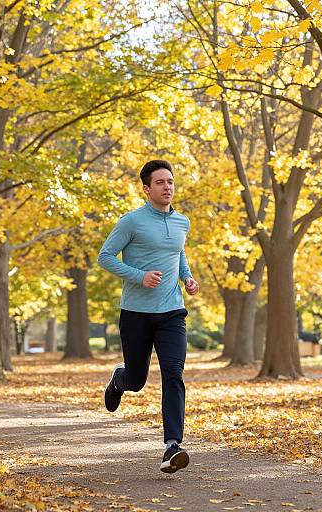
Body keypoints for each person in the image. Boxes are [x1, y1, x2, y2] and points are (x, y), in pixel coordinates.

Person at [97, 159, 199, 474]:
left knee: (173, 374)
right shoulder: (132, 222)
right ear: (146, 188)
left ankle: (172, 446)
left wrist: (187, 277)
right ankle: (120, 380)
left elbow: (178, 252)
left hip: (172, 313)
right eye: (160, 182)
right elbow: (105, 257)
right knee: (138, 380)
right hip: (136, 314)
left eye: (170, 181)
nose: (167, 187)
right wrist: (139, 276)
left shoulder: (182, 221)